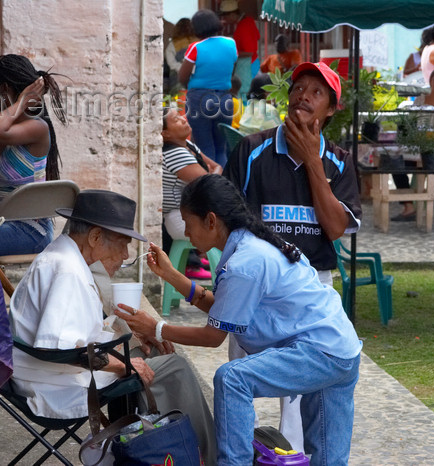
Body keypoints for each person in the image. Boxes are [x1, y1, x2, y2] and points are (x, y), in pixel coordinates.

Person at [118, 174, 362, 465]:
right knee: (329, 459)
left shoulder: (246, 262)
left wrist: (157, 328)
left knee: (233, 378)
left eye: (188, 221)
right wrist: (171, 275)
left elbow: (213, 336)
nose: (185, 230)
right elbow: (225, 311)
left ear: (211, 220)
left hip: (321, 352)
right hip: (341, 349)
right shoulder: (251, 246)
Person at [8, 189, 217, 465]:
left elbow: (76, 334)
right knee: (174, 369)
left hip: (46, 372)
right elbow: (61, 348)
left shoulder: (64, 256)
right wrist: (124, 365)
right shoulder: (67, 271)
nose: (125, 255)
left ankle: (155, 449)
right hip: (51, 386)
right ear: (95, 237)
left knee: (151, 355)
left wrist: (128, 342)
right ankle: (209, 456)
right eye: (122, 244)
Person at [223, 61, 361, 451]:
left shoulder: (339, 162)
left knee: (304, 396)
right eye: (299, 88)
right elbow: (229, 222)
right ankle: (240, 453)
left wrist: (313, 163)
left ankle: (295, 458)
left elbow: (336, 229)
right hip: (257, 286)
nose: (304, 95)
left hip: (312, 288)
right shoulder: (251, 150)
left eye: (317, 92)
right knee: (239, 378)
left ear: (331, 109)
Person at [0, 54, 67, 256]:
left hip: (31, 231)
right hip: (0, 226)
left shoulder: (37, 128)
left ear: (5, 88)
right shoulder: (4, 132)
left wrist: (22, 101)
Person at [162, 106, 221, 280]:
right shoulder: (175, 154)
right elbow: (212, 184)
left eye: (180, 116)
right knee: (229, 228)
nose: (183, 120)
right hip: (179, 219)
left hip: (191, 213)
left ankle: (203, 259)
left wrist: (212, 173)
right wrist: (212, 174)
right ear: (165, 134)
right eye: (175, 120)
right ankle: (210, 267)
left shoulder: (187, 145)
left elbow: (217, 168)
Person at [392, 67, 434, 221]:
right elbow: (411, 123)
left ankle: (428, 196)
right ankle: (408, 204)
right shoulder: (420, 100)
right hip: (417, 146)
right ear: (430, 81)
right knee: (394, 162)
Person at [179, 9, 237, 167]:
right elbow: (233, 68)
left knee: (204, 148)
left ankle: (208, 187)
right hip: (225, 99)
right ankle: (223, 186)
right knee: (221, 148)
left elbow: (182, 76)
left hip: (199, 99)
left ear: (196, 28)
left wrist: (191, 88)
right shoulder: (231, 44)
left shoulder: (195, 48)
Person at [219, 0, 260, 98]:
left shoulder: (244, 26)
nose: (224, 19)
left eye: (225, 16)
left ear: (233, 14)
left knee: (245, 95)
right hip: (249, 64)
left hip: (248, 66)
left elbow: (249, 52)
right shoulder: (248, 21)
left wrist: (231, 53)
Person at [164, 18, 197, 93]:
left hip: (178, 78)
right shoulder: (199, 43)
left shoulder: (173, 44)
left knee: (179, 99)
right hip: (197, 77)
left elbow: (171, 63)